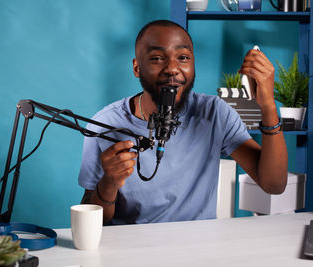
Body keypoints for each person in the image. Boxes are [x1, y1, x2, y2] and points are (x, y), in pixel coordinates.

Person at [78, 20, 288, 224]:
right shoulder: (103, 124)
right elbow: (94, 218)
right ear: (137, 68)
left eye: (183, 57)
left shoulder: (215, 113)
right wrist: (109, 183)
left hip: (195, 249)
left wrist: (268, 105)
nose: (172, 68)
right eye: (157, 58)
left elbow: (273, 185)